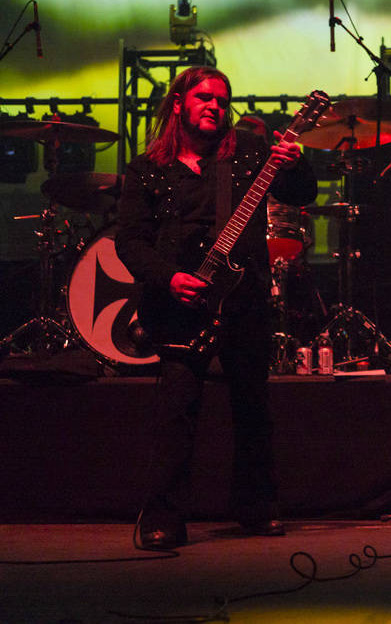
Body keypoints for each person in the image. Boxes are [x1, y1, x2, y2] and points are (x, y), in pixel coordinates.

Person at [116, 66, 317, 549]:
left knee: (253, 407)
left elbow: (301, 194)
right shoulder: (148, 169)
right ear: (180, 102)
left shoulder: (248, 153)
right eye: (204, 97)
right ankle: (162, 517)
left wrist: (294, 164)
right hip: (181, 302)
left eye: (222, 100)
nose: (215, 106)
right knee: (176, 410)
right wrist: (168, 278)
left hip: (244, 299)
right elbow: (130, 241)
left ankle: (258, 509)